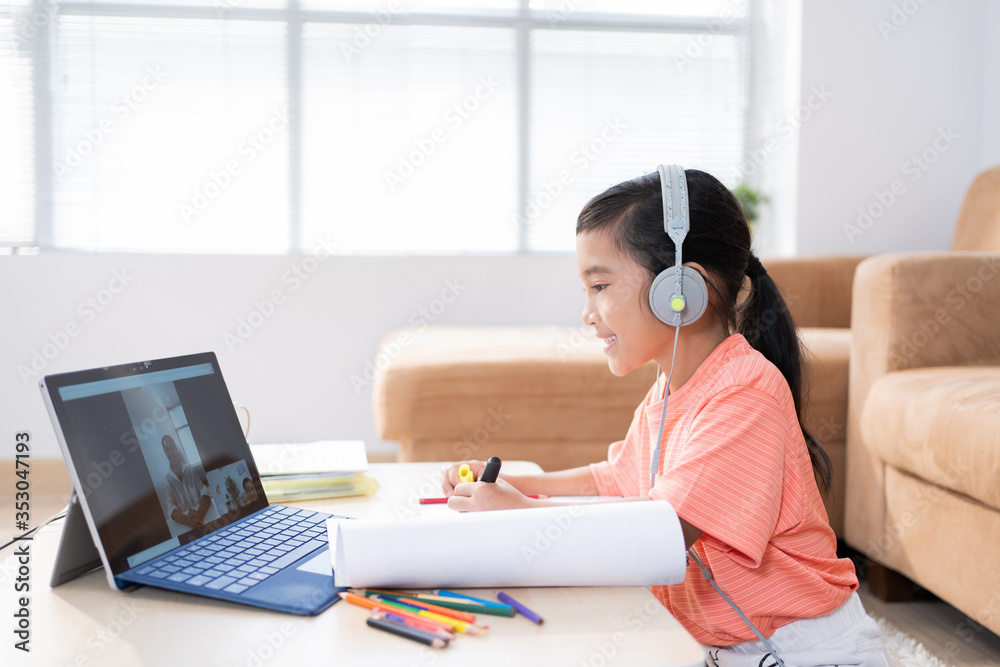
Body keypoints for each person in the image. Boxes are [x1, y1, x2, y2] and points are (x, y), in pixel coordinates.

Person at [441, 168, 890, 665]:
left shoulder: (746, 393)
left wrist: (519, 514)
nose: (587, 313)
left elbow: (659, 532)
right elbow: (616, 482)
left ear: (680, 290)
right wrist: (524, 484)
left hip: (802, 647)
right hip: (722, 643)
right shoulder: (670, 389)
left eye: (601, 285)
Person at [161, 434, 212, 529]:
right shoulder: (167, 481)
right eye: (167, 450)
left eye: (172, 448)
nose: (171, 452)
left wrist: (199, 515)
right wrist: (187, 520)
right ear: (165, 453)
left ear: (176, 448)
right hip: (187, 527)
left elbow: (204, 491)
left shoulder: (190, 471)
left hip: (203, 519)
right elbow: (171, 508)